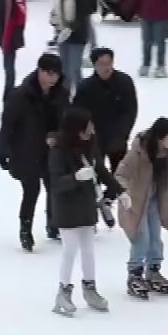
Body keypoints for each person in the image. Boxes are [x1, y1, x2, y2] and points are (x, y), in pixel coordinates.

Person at [1, 54, 70, 251]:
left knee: (54, 187)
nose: (53, 78)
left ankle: (53, 223)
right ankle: (25, 228)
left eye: (56, 74)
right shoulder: (21, 95)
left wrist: (57, 136)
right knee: (31, 190)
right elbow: (8, 125)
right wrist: (4, 151)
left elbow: (66, 122)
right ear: (39, 71)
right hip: (26, 150)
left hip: (52, 151)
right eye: (49, 73)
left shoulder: (61, 94)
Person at [50, 107, 110, 315]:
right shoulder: (59, 151)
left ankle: (90, 288)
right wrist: (75, 178)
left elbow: (101, 170)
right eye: (88, 126)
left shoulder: (90, 146)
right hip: (67, 209)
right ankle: (63, 292)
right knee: (70, 250)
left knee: (88, 250)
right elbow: (56, 183)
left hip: (85, 206)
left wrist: (120, 192)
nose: (92, 129)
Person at [116, 117, 168, 300]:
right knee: (141, 236)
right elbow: (121, 174)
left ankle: (153, 270)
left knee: (155, 237)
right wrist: (123, 193)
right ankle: (135, 273)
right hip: (136, 200)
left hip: (154, 199)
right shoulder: (139, 152)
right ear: (159, 138)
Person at [76, 47, 139, 224]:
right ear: (94, 65)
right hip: (94, 138)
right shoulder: (86, 87)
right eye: (102, 64)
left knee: (120, 173)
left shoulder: (124, 82)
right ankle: (92, 209)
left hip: (118, 136)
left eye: (109, 63)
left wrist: (123, 132)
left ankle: (108, 199)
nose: (107, 67)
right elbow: (78, 111)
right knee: (94, 174)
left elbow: (130, 110)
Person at [48, 0, 92, 94]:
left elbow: (82, 14)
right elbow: (56, 11)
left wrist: (70, 28)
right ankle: (65, 96)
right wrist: (54, 21)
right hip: (62, 35)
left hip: (77, 36)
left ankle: (81, 95)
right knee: (64, 70)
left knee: (74, 69)